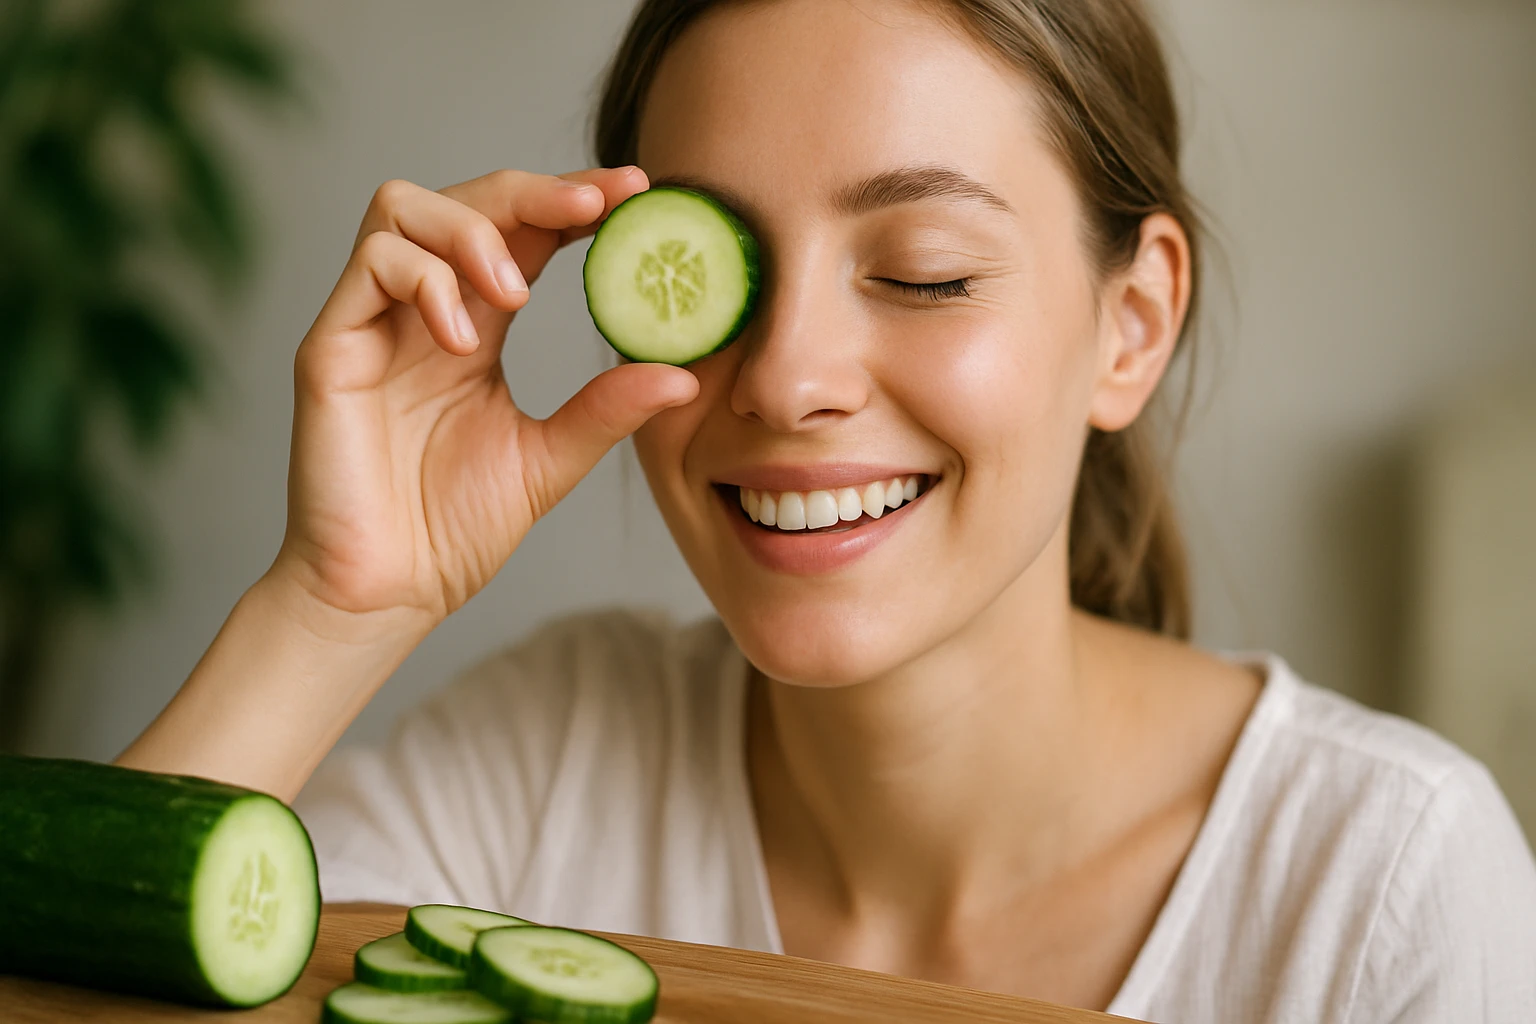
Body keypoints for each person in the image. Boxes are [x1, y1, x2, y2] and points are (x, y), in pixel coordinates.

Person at [117, 0, 1536, 1018]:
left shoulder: (1386, 881)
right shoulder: (540, 761)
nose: (787, 379)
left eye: (922, 270)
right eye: (713, 267)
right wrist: (334, 602)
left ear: (1133, 323)